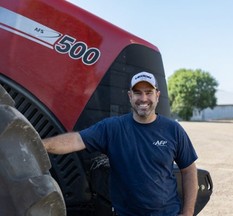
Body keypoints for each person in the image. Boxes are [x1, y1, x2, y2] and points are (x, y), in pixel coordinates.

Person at [43, 71, 198, 216]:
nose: (143, 98)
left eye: (149, 92)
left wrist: (188, 213)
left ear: (157, 95)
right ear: (130, 96)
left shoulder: (173, 129)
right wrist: (39, 145)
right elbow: (76, 140)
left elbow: (189, 170)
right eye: (137, 92)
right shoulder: (112, 128)